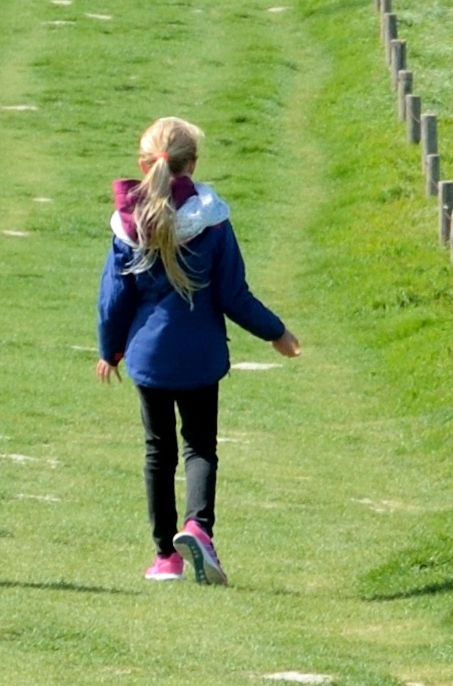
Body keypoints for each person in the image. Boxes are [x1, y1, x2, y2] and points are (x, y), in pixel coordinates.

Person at [90, 113, 303, 583]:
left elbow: (113, 298)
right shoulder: (212, 220)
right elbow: (234, 295)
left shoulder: (128, 225)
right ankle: (198, 528)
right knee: (200, 446)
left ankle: (165, 558)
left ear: (143, 164)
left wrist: (110, 349)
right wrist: (276, 332)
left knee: (158, 452)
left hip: (149, 358)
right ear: (193, 163)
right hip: (201, 356)